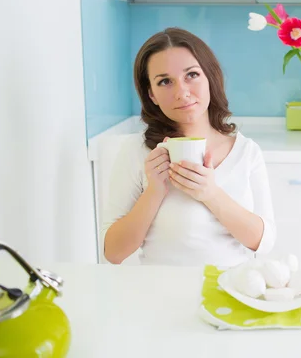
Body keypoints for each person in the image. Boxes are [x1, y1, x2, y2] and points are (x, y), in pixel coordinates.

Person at [101, 27, 276, 267]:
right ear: (151, 94)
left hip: (231, 292)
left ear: (210, 77)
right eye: (165, 81)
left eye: (191, 75)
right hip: (161, 294)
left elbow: (263, 243)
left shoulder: (246, 152)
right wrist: (154, 191)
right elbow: (113, 252)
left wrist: (211, 193)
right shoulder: (137, 151)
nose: (182, 93)